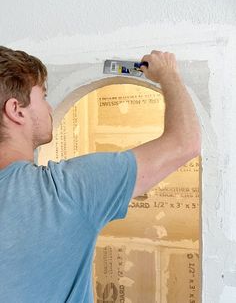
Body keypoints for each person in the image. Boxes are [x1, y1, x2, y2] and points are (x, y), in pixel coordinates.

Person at [0, 46, 201, 302]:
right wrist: (169, 75)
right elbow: (185, 143)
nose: (50, 108)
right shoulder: (65, 191)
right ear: (17, 110)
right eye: (44, 96)